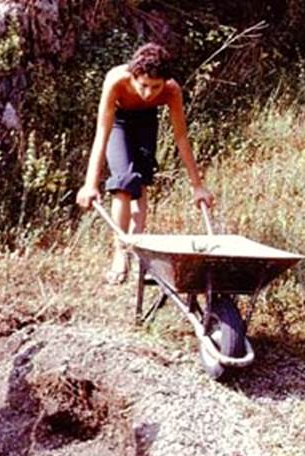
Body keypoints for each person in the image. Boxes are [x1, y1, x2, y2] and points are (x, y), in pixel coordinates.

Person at [76, 42, 214, 284]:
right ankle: (120, 252)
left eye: (155, 87)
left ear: (164, 82)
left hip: (146, 121)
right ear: (133, 75)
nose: (149, 93)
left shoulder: (172, 91)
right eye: (143, 86)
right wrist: (90, 184)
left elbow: (181, 138)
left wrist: (197, 186)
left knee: (140, 184)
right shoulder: (116, 81)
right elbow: (102, 132)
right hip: (119, 122)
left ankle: (137, 248)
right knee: (123, 182)